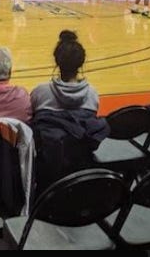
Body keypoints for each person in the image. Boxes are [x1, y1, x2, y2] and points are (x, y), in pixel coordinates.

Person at [30, 30, 109, 195]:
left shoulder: (40, 93)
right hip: (79, 176)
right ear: (81, 63)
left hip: (47, 177)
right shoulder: (92, 95)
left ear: (57, 61)